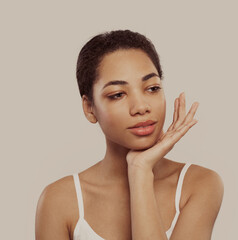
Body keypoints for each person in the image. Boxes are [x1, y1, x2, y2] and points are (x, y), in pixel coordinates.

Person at [35, 29, 224, 239]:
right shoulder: (60, 201)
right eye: (118, 94)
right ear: (90, 108)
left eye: (152, 88)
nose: (141, 107)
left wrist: (140, 170)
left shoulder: (198, 184)